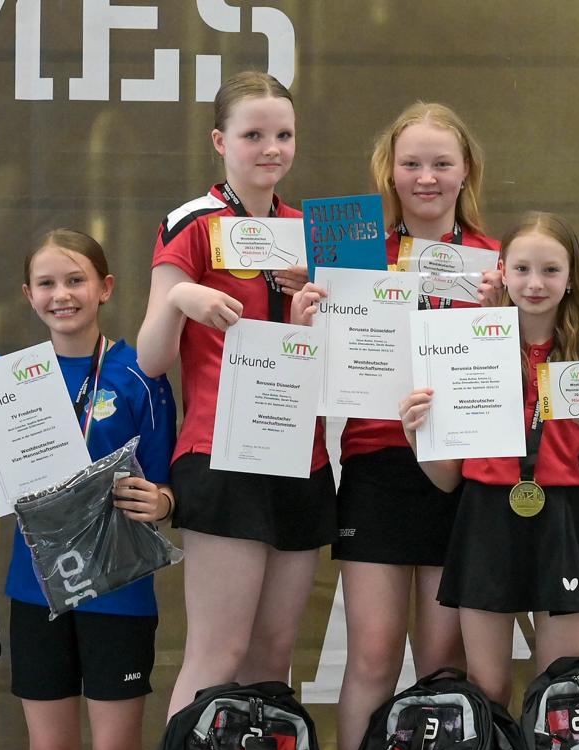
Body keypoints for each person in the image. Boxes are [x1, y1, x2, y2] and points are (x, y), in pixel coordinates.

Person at [2, 231, 177, 750]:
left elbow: (168, 478)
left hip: (119, 592)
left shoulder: (140, 375)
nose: (60, 295)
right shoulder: (8, 382)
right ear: (27, 296)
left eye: (74, 280)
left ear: (105, 287)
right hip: (34, 589)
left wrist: (162, 500)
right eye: (46, 283)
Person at [403, 212, 579, 707]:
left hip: (561, 521)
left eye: (550, 270)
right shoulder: (466, 350)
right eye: (521, 269)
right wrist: (418, 437)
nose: (535, 283)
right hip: (485, 517)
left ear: (572, 278)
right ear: (502, 271)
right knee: (488, 687)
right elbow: (448, 481)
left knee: (557, 690)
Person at [137, 70, 328, 716]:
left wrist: (315, 318)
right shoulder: (192, 223)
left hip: (301, 456)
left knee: (272, 660)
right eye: (253, 135)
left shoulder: (311, 231)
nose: (271, 148)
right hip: (223, 454)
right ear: (220, 141)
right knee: (217, 654)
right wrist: (181, 299)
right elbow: (151, 358)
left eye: (284, 135)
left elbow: (346, 361)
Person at [330, 102, 500, 750]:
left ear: (465, 172)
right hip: (376, 465)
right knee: (372, 658)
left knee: (442, 664)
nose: (426, 178)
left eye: (440, 164)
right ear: (390, 172)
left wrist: (503, 313)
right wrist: (314, 313)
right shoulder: (355, 254)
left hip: (459, 476)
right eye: (411, 164)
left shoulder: (494, 263)